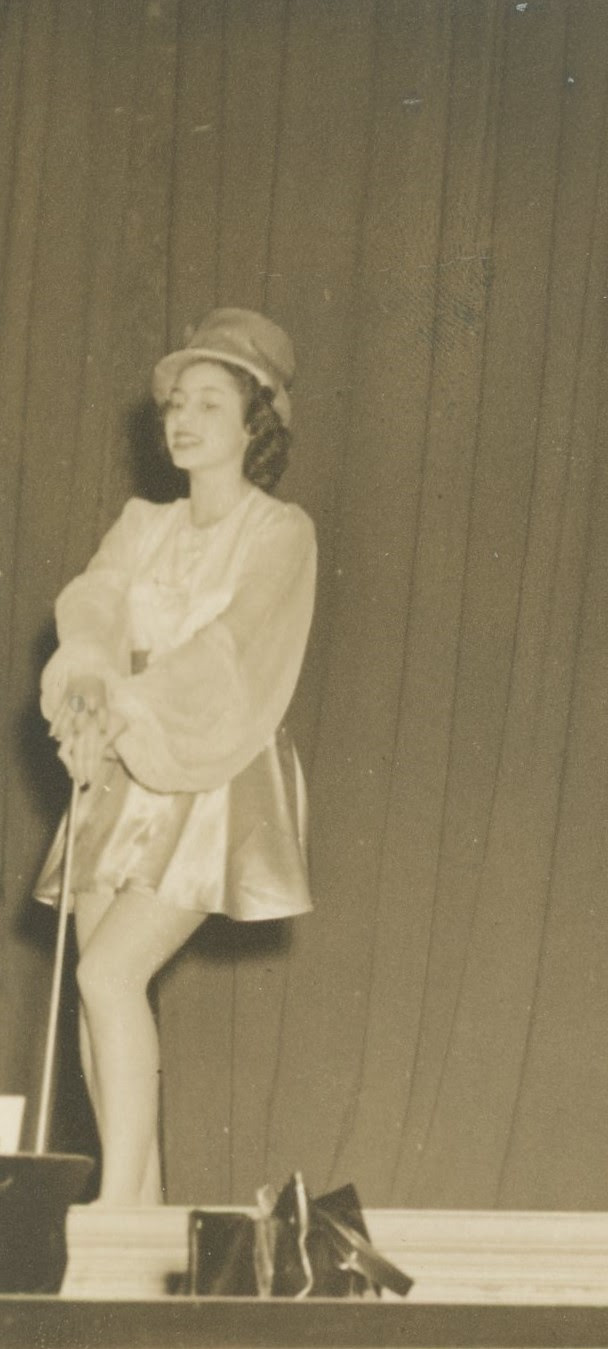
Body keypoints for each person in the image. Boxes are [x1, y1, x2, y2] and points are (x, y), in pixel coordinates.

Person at [37, 309, 318, 1205]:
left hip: (210, 760)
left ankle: (117, 1210)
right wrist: (85, 692)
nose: (185, 418)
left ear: (255, 424)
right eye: (176, 404)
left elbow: (233, 649)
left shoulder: (281, 530)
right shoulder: (143, 520)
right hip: (118, 763)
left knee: (107, 972)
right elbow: (93, 605)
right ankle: (143, 1206)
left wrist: (125, 704)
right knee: (100, 995)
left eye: (210, 401)